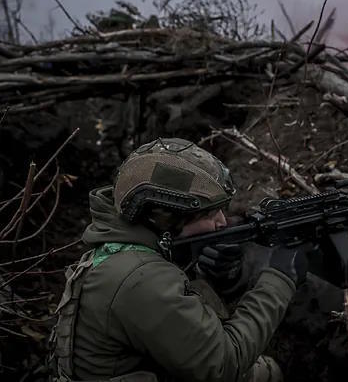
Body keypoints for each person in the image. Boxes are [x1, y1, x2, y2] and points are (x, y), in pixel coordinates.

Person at [50, 138, 308, 382]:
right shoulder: (140, 278)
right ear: (165, 218)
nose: (221, 222)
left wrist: (218, 275)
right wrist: (279, 278)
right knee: (266, 373)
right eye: (208, 213)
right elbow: (224, 365)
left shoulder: (121, 254)